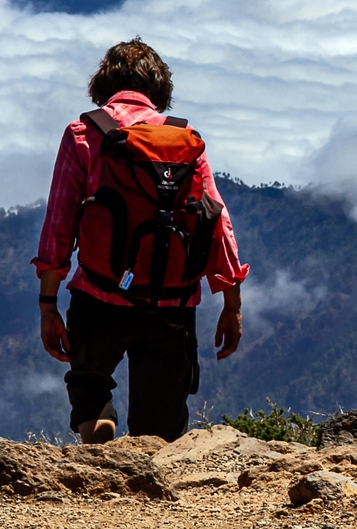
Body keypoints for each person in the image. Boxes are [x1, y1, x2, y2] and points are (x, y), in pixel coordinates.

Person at [33, 38, 249, 442]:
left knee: (89, 387)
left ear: (103, 84)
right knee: (161, 425)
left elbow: (59, 222)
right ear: (160, 90)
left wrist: (48, 305)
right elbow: (217, 221)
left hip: (100, 295)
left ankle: (99, 429)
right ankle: (152, 486)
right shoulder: (186, 141)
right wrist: (231, 303)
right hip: (173, 301)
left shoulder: (84, 133)